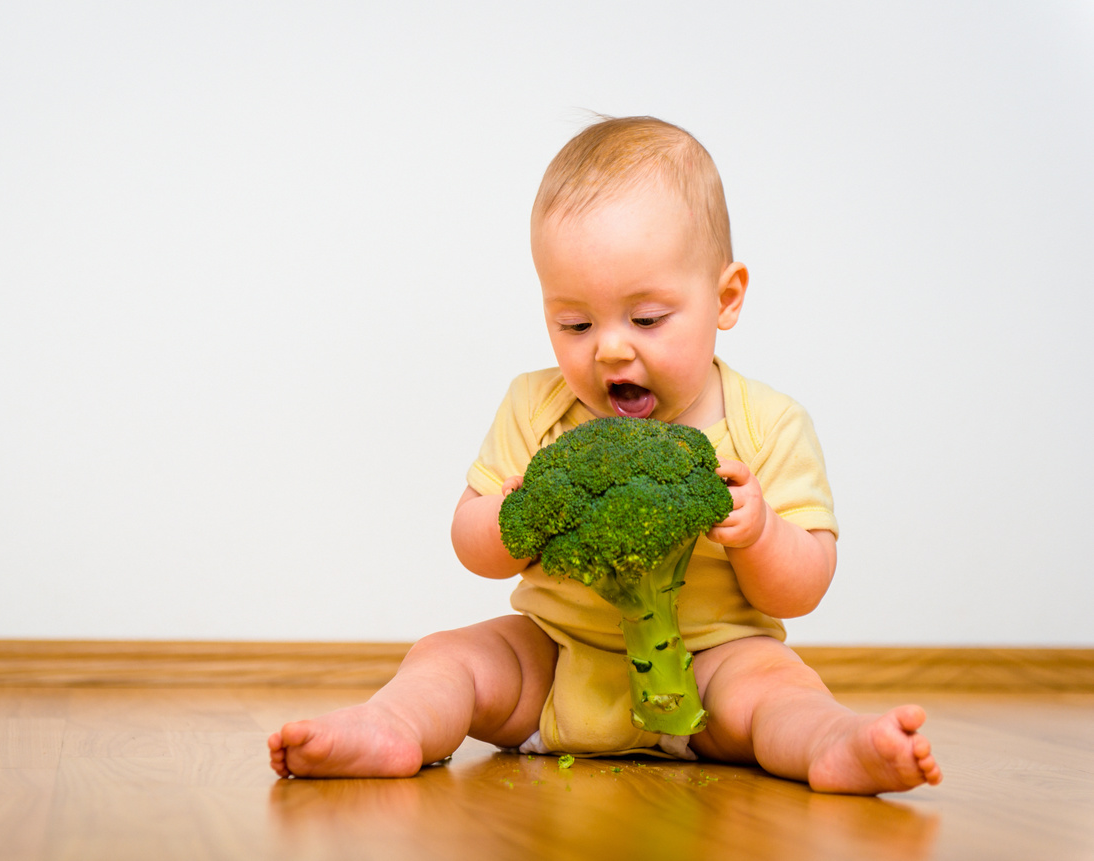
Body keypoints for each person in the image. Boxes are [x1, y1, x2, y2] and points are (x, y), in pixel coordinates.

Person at [268, 116, 942, 794]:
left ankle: (834, 743)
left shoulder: (768, 422)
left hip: (713, 667)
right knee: (449, 656)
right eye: (575, 323)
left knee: (777, 687)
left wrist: (761, 532)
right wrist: (515, 513)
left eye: (647, 319)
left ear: (726, 297)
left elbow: (805, 584)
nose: (610, 348)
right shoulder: (536, 406)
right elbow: (470, 542)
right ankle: (391, 726)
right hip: (555, 660)